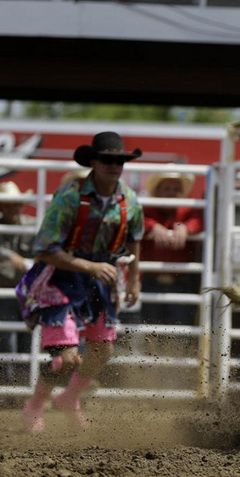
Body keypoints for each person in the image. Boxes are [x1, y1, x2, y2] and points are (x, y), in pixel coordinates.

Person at [17, 131, 143, 433]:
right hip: (61, 279)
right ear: (95, 162)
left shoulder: (129, 198)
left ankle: (69, 398)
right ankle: (35, 405)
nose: (115, 166)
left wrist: (135, 279)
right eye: (108, 160)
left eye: (120, 160)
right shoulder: (70, 195)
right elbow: (44, 248)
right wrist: (90, 265)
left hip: (101, 279)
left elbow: (134, 238)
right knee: (67, 360)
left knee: (103, 349)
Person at [139, 171, 204, 330]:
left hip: (181, 281)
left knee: (181, 329)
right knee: (151, 328)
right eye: (167, 189)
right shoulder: (148, 209)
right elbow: (137, 219)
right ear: (157, 192)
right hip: (151, 280)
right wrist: (152, 226)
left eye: (176, 190)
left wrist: (186, 228)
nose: (172, 194)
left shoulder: (188, 210)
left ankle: (179, 353)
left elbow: (198, 221)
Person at [0, 180, 36, 384]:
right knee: (7, 338)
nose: (12, 208)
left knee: (28, 338)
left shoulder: (32, 225)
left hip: (27, 292)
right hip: (5, 293)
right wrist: (7, 255)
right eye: (7, 204)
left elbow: (46, 248)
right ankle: (9, 383)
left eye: (15, 204)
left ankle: (22, 384)